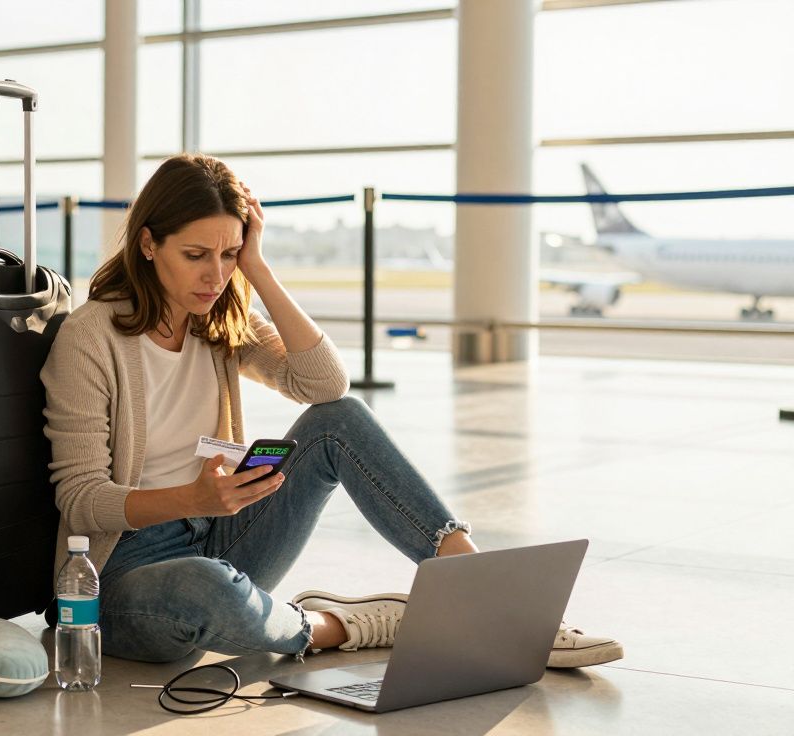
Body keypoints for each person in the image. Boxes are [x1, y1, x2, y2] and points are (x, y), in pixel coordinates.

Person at [40, 154, 623, 669]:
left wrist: (259, 270)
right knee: (205, 587)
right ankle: (341, 626)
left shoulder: (217, 319)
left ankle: (491, 593)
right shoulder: (92, 337)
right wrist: (191, 499)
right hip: (120, 574)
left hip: (221, 532)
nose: (215, 276)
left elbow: (323, 384)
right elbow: (82, 499)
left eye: (229, 254)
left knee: (339, 419)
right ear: (148, 244)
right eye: (196, 255)